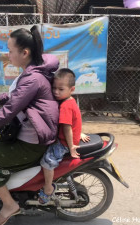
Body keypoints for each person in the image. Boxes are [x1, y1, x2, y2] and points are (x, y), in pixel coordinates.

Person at [0, 25, 59, 225]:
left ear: (25, 52)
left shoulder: (33, 78)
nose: (8, 54)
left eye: (10, 51)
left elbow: (11, 109)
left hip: (31, 142)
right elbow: (16, 94)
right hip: (24, 130)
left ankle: (9, 205)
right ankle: (6, 186)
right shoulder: (32, 71)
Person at [39, 68, 85, 204]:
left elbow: (67, 127)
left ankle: (48, 188)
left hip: (64, 143)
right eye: (54, 88)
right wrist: (79, 132)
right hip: (68, 137)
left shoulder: (65, 105)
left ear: (71, 89)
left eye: (61, 89)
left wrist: (71, 147)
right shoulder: (70, 100)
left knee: (47, 162)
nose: (56, 92)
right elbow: (75, 120)